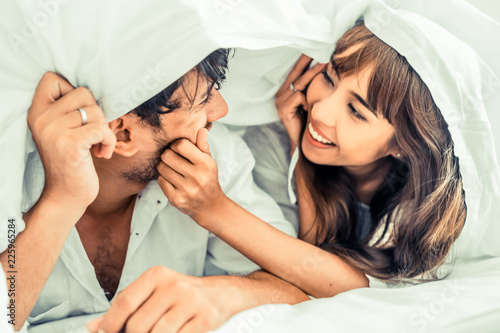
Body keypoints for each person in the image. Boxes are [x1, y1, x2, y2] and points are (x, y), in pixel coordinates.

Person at [0, 49, 307, 333]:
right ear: (122, 133)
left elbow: (300, 289)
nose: (221, 110)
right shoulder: (11, 183)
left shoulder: (215, 163)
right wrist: (61, 200)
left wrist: (223, 296)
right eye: (203, 100)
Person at [164, 21, 467, 299]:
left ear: (402, 144)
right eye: (328, 78)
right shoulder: (274, 143)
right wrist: (301, 155)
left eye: (357, 112)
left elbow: (346, 287)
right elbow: (310, 268)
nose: (320, 111)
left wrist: (213, 208)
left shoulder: (417, 204)